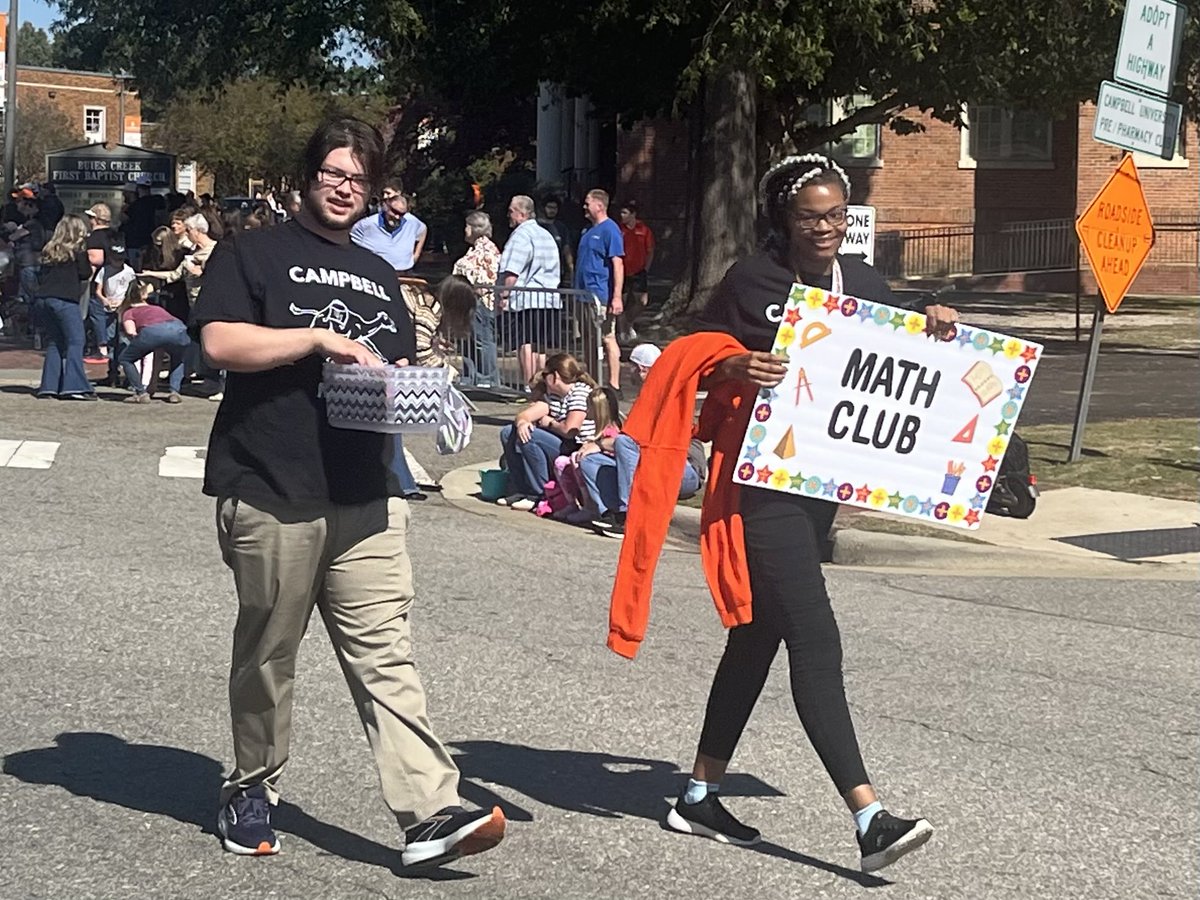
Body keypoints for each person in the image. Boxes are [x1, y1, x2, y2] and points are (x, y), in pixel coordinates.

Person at [619, 154, 958, 874]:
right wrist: (731, 365)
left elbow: (906, 359)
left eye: (836, 215)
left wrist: (935, 318)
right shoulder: (753, 280)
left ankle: (698, 795)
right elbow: (689, 349)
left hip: (819, 495)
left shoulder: (863, 284)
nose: (826, 227)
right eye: (811, 217)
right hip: (760, 491)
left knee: (755, 641)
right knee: (815, 639)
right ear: (786, 219)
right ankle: (869, 819)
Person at [191, 117, 505, 868]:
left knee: (387, 656)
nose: (345, 188)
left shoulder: (376, 273)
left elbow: (383, 374)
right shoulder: (253, 252)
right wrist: (314, 338)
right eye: (334, 173)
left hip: (366, 492)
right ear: (309, 177)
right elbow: (220, 342)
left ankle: (429, 811)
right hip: (272, 485)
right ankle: (251, 786)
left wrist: (427, 392)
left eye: (359, 179)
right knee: (269, 653)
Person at [579, 343, 704, 538]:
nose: (628, 370)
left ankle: (630, 517)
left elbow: (635, 441)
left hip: (684, 468)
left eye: (631, 366)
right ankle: (612, 514)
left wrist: (599, 444)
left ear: (642, 369)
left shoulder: (669, 396)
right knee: (590, 460)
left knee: (622, 443)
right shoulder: (646, 397)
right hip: (653, 463)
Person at [497, 352, 595, 510]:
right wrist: (522, 422)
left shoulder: (579, 393)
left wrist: (549, 423)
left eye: (545, 374)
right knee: (509, 432)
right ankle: (520, 489)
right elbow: (526, 415)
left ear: (555, 376)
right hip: (562, 442)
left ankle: (539, 493)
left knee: (531, 436)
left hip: (577, 447)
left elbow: (570, 430)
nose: (543, 378)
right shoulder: (554, 396)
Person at [497, 195, 561, 389]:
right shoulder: (545, 234)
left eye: (511, 211)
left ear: (522, 214)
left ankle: (529, 385)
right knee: (540, 346)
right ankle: (541, 385)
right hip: (548, 298)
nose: (508, 215)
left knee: (525, 343)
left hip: (526, 300)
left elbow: (512, 271)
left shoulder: (521, 236)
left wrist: (503, 295)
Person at [31, 214, 95, 400]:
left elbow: (40, 274)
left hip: (43, 299)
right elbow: (85, 273)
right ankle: (74, 386)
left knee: (55, 341)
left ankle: (49, 386)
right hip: (64, 299)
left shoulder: (49, 249)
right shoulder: (78, 250)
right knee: (76, 341)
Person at [575, 189, 624, 393]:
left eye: (588, 203)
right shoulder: (587, 231)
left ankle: (613, 384)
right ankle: (593, 382)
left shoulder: (610, 230)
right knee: (588, 339)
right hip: (583, 295)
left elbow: (617, 264)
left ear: (599, 205)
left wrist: (616, 297)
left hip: (600, 295)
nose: (584, 207)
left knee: (606, 337)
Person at [115, 277, 190, 404]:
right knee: (178, 358)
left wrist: (139, 344)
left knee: (125, 359)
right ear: (144, 295)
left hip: (152, 332)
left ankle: (140, 393)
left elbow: (131, 331)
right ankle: (174, 392)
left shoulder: (129, 312)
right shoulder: (157, 308)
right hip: (179, 329)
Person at [451, 210, 501, 387]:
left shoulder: (485, 249)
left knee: (483, 340)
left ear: (474, 228)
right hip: (471, 300)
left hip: (482, 301)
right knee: (469, 339)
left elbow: (480, 273)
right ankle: (471, 376)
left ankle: (488, 378)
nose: (465, 230)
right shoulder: (475, 248)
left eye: (467, 226)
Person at [349, 180, 427, 273]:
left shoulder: (411, 222)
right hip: (375, 273)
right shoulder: (366, 225)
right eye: (394, 212)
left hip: (404, 273)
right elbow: (349, 240)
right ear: (386, 207)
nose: (397, 217)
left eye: (401, 214)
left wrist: (416, 256)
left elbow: (423, 229)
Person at [84, 203, 124, 363]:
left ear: (95, 219)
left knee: (97, 313)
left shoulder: (95, 236)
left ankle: (102, 347)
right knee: (113, 313)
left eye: (90, 217)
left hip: (101, 279)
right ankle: (113, 345)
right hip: (119, 277)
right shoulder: (116, 234)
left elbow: (96, 259)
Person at [617, 200, 655, 342]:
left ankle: (628, 322)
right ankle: (622, 331)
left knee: (642, 301)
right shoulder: (618, 230)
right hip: (622, 271)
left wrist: (646, 268)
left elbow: (650, 250)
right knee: (621, 300)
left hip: (639, 271)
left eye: (625, 213)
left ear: (633, 214)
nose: (622, 216)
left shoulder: (644, 230)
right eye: (621, 213)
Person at [538, 195, 574, 286]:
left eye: (555, 208)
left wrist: (570, 267)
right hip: (538, 271)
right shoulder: (537, 226)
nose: (552, 210)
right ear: (544, 208)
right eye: (549, 207)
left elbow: (566, 248)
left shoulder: (561, 228)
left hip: (557, 271)